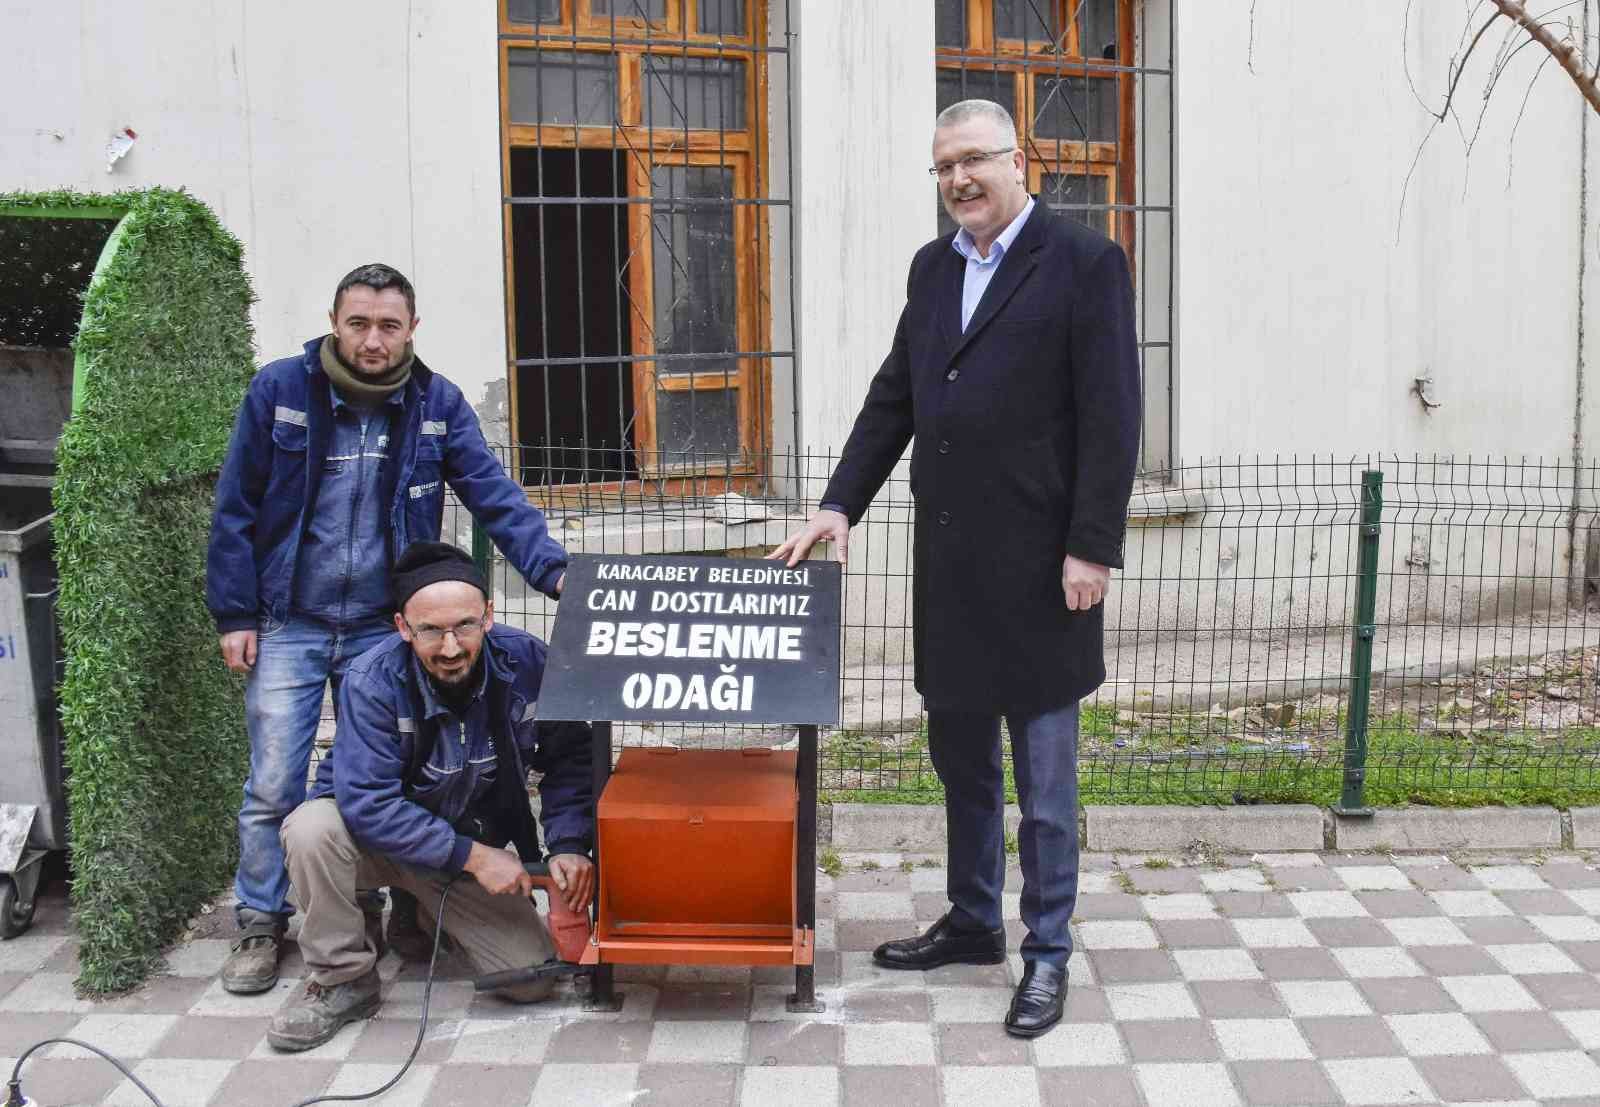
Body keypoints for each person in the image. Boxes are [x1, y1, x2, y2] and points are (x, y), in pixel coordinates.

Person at [770, 99, 1140, 1038]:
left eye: (975, 160)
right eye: (943, 168)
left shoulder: (1087, 263)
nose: (959, 181)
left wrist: (1093, 543)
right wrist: (836, 502)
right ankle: (974, 921)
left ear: (1022, 162)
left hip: (1047, 571)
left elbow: (1111, 415)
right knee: (961, 763)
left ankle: (1046, 950)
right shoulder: (933, 269)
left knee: (1045, 783)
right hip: (951, 570)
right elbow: (895, 393)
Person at [206, 263, 569, 995]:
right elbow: (236, 507)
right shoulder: (280, 390)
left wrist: (556, 571)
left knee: (397, 769)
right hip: (290, 619)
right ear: (335, 321)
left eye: (389, 325)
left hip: (386, 624)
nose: (373, 339)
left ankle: (401, 906)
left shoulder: (436, 403)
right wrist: (236, 612)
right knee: (277, 782)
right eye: (360, 323)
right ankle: (260, 920)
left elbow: (495, 497)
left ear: (412, 329)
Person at [269, 541, 594, 1052]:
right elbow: (368, 805)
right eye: (430, 631)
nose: (450, 647)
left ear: (488, 615)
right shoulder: (371, 679)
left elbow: (571, 760)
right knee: (311, 829)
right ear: (403, 627)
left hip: (455, 853)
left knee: (530, 978)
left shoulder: (529, 661)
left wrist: (569, 842)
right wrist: (477, 858)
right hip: (377, 844)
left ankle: (419, 908)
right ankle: (341, 977)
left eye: (464, 625)